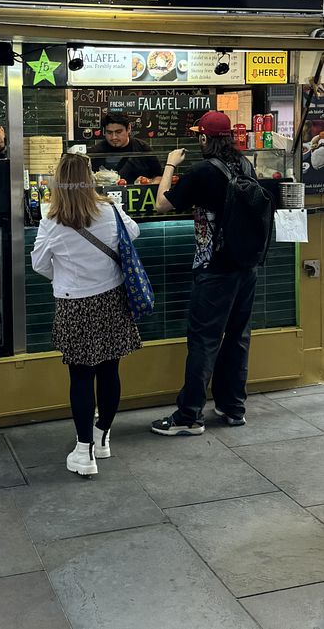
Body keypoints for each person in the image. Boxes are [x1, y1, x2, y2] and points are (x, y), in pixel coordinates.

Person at [31, 153, 141, 476]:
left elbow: (38, 264)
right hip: (112, 299)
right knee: (110, 371)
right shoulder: (109, 209)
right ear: (90, 178)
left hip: (74, 304)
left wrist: (63, 276)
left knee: (80, 376)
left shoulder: (51, 220)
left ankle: (83, 453)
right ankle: (102, 437)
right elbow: (132, 234)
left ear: (57, 182)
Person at [151, 110, 258, 436]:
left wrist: (170, 164)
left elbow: (161, 204)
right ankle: (233, 407)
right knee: (237, 338)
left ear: (203, 138)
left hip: (214, 270)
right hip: (246, 267)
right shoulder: (246, 165)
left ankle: (189, 416)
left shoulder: (201, 172)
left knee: (204, 341)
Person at [87, 112, 163, 184]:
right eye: (109, 132)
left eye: (118, 132)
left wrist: (148, 182)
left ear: (129, 128)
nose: (114, 137)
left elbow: (159, 176)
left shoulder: (143, 148)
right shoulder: (95, 153)